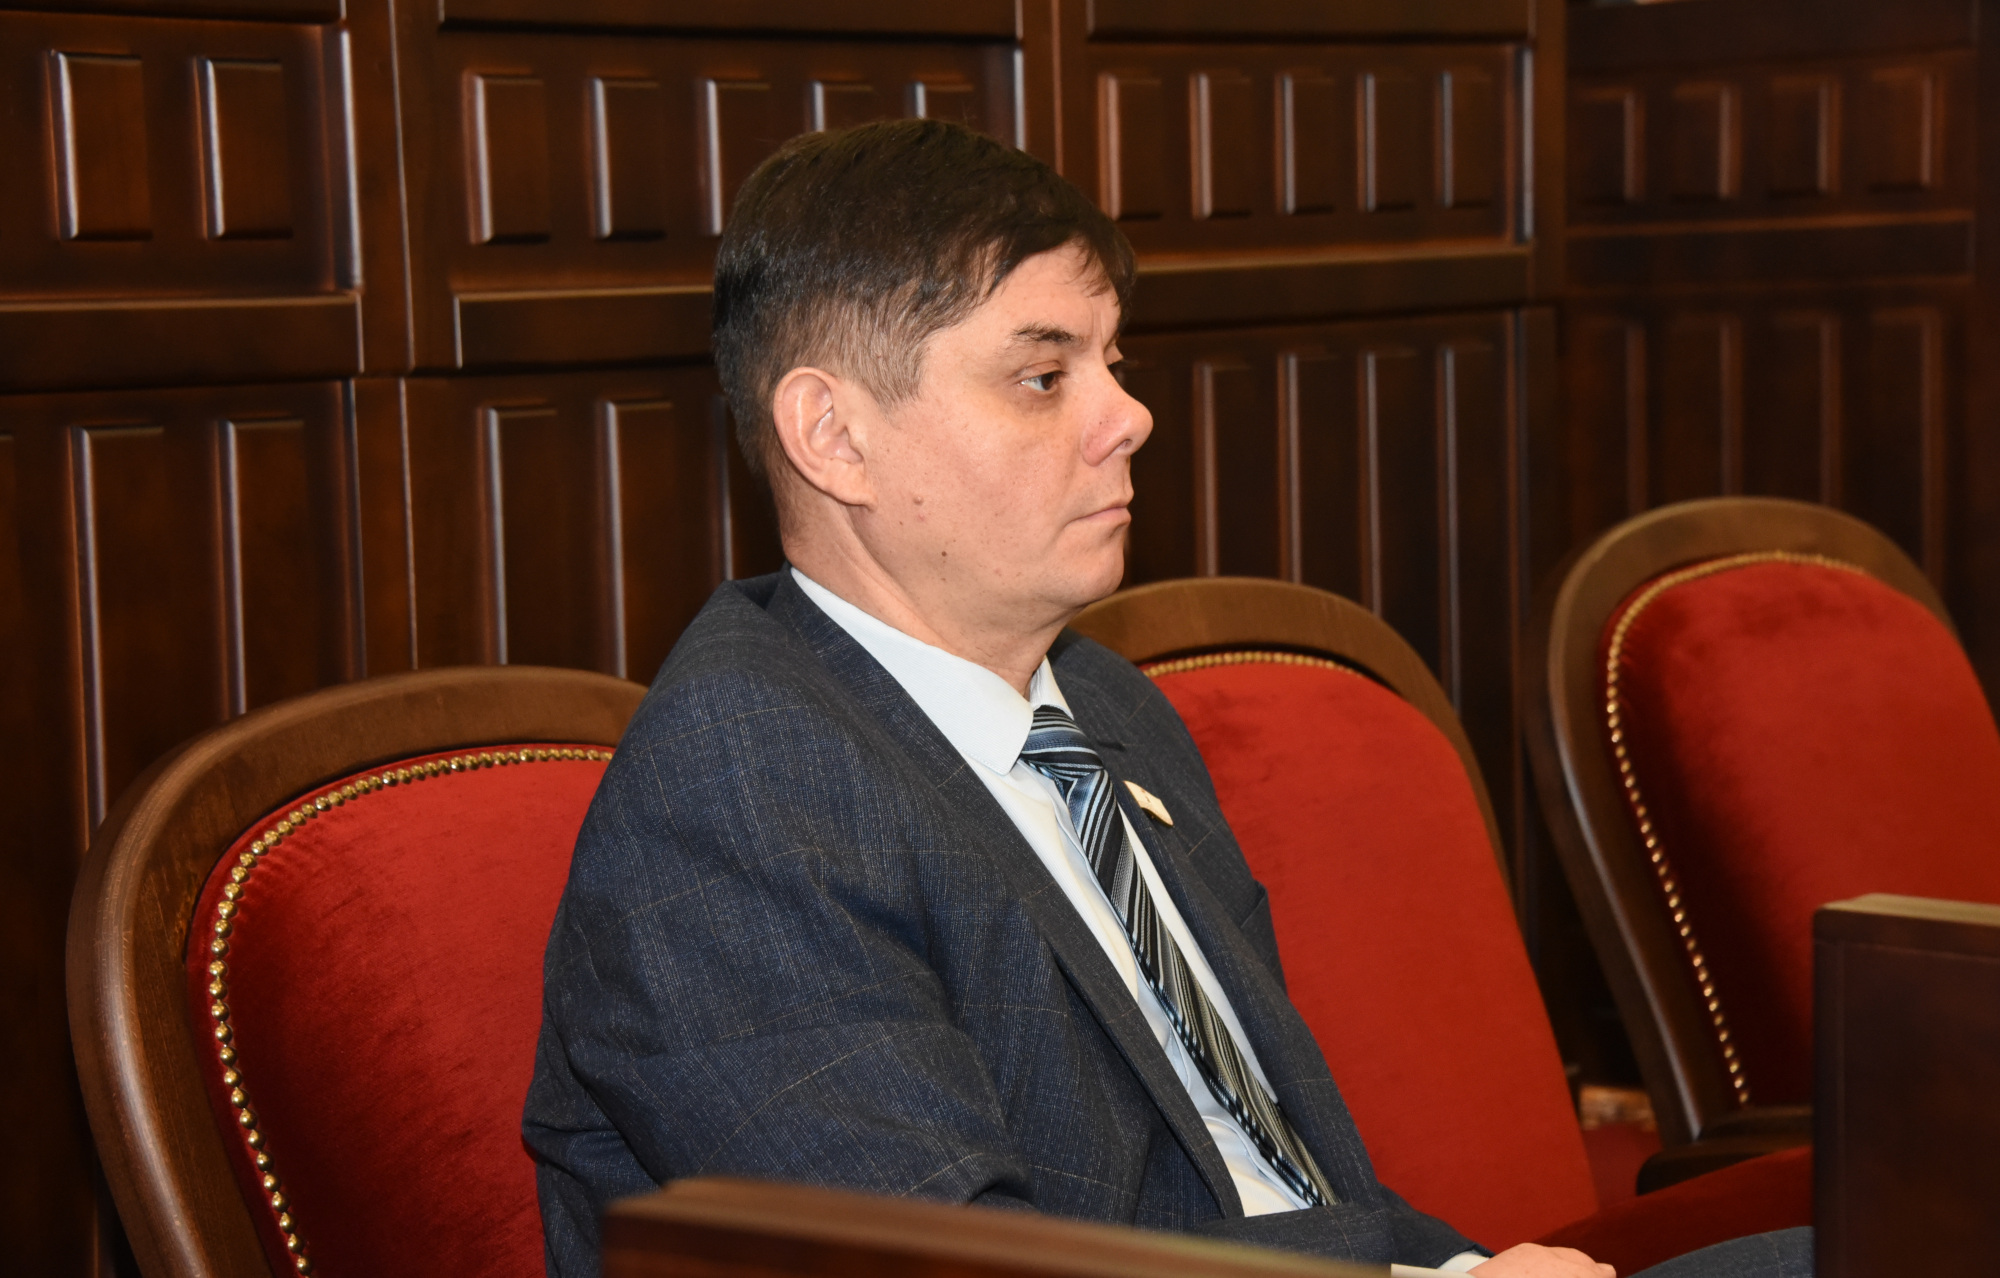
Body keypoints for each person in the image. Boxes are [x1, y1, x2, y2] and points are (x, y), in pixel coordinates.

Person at [522, 118, 1810, 1278]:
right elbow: (960, 1268)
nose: (1130, 416)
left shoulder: (1104, 709)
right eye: (1043, 377)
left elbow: (1286, 1181)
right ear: (833, 436)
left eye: (1112, 362)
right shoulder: (738, 796)